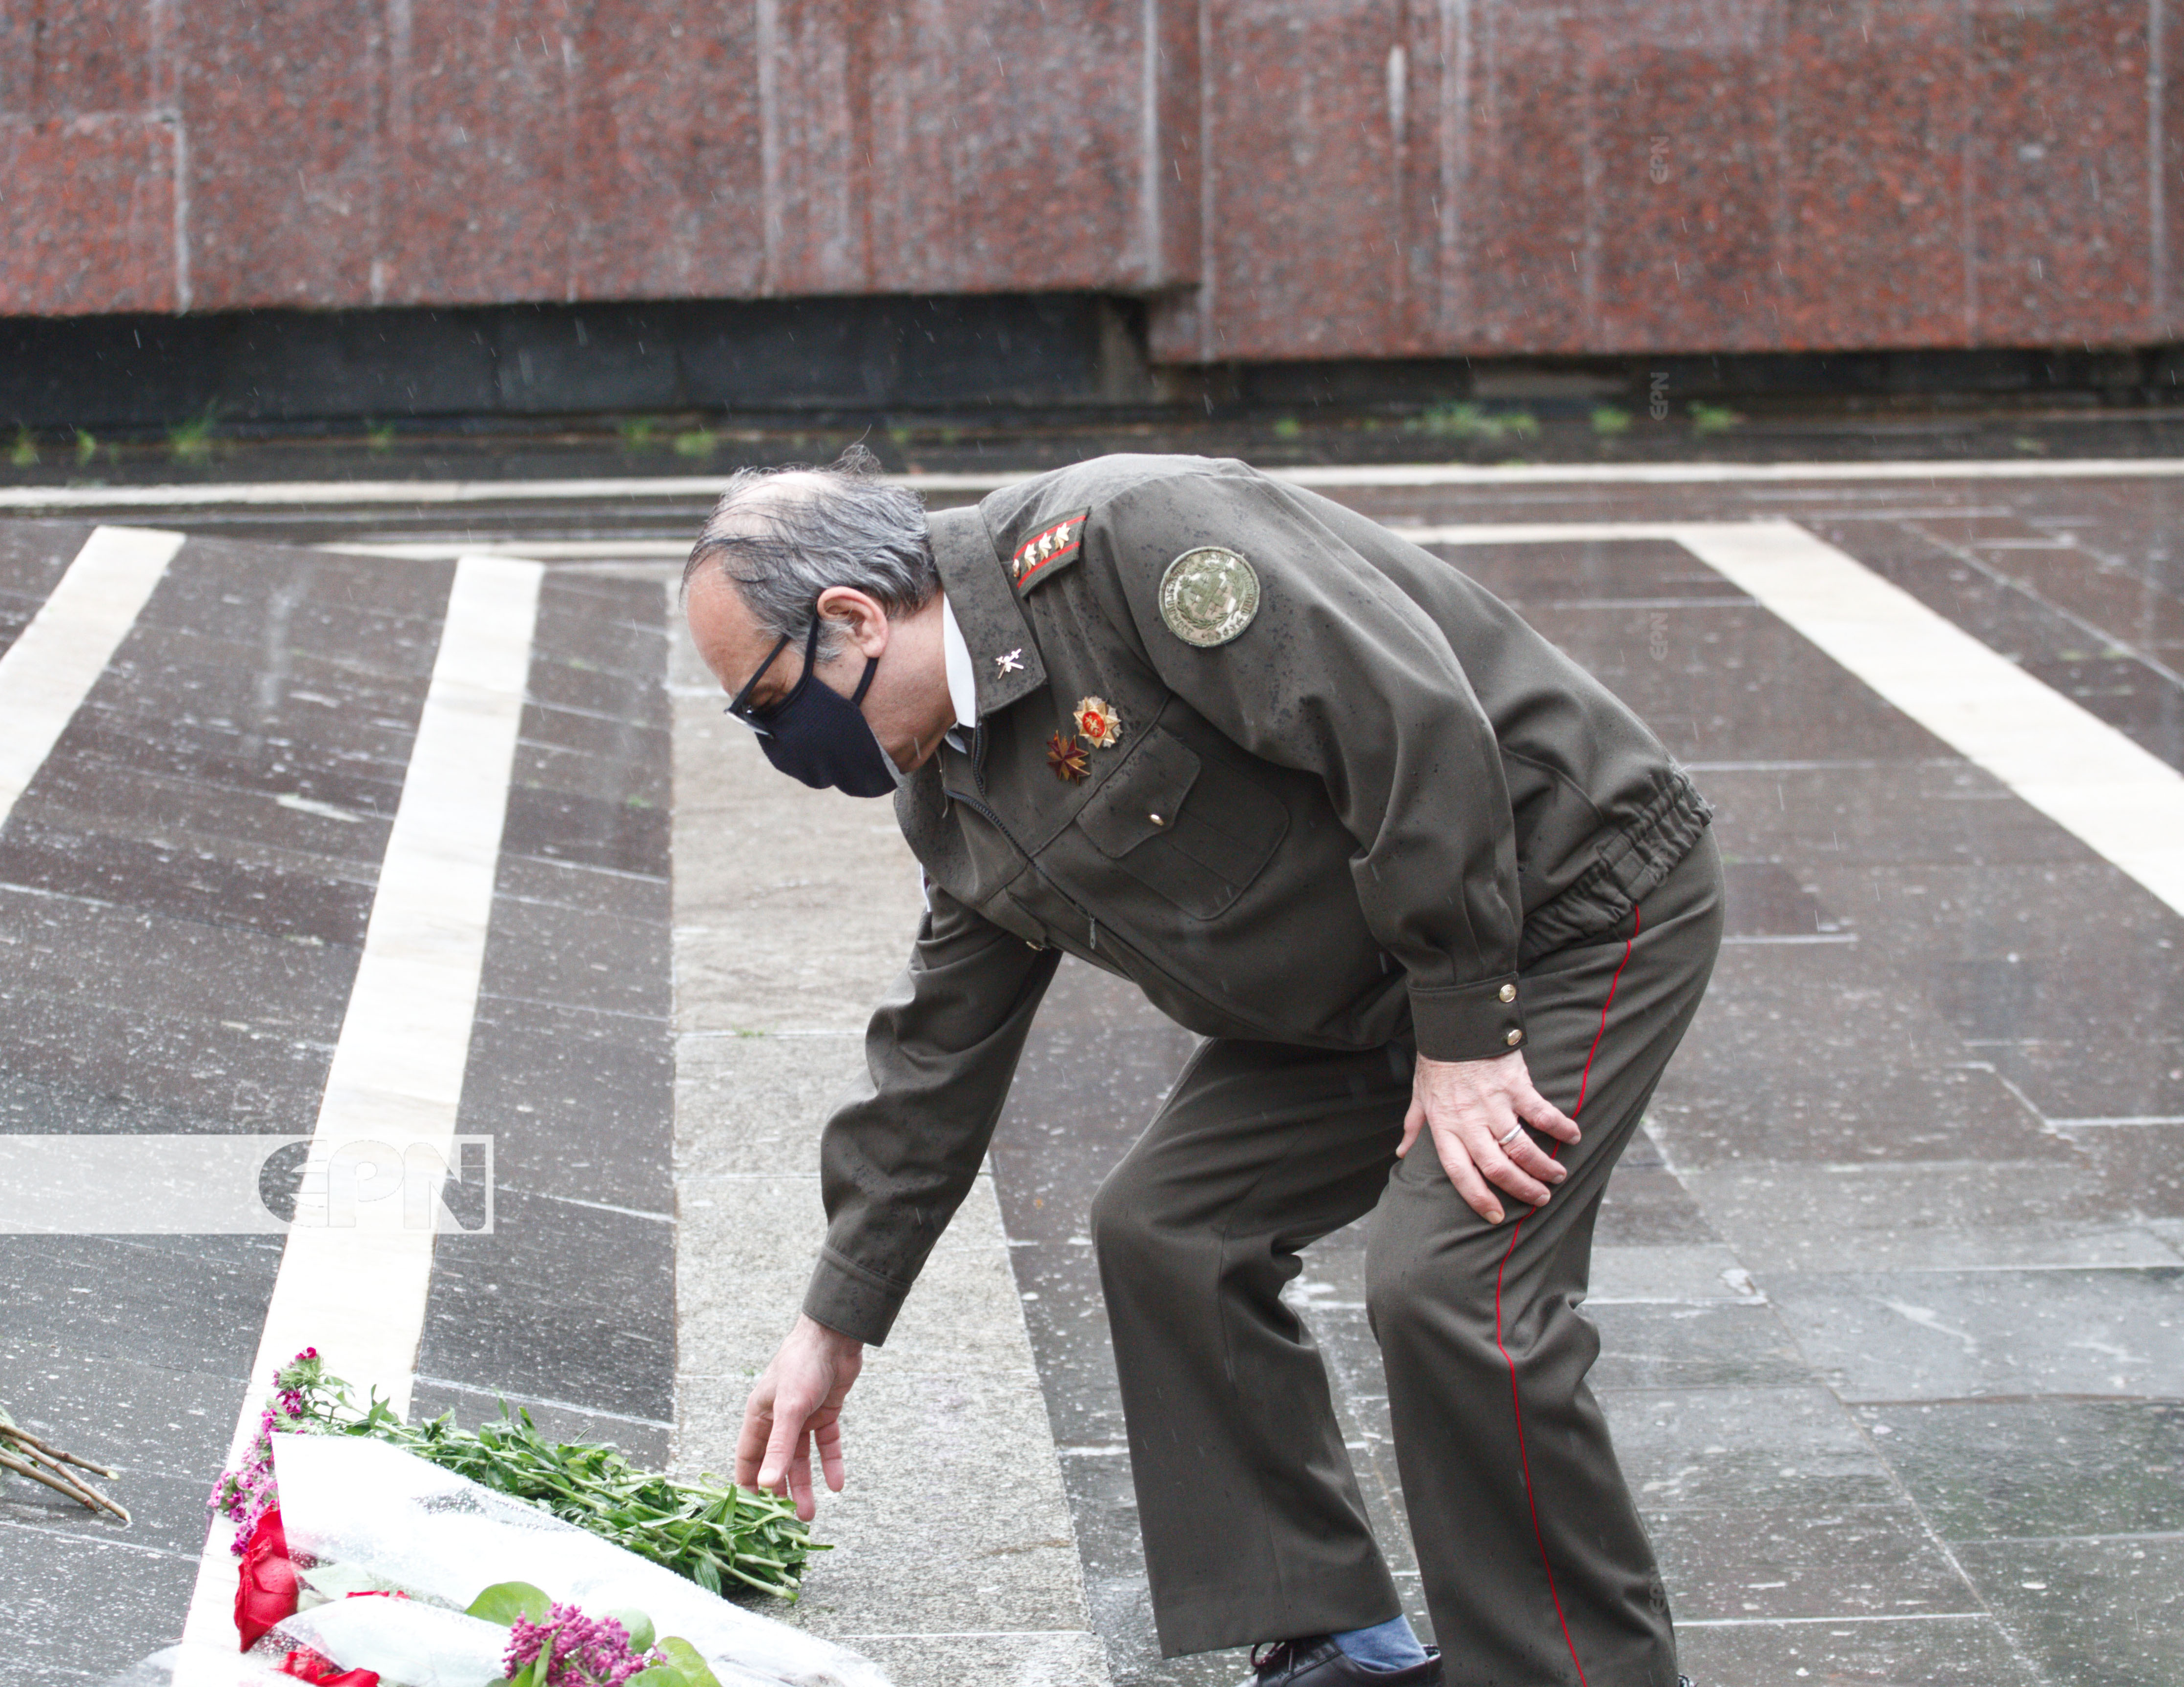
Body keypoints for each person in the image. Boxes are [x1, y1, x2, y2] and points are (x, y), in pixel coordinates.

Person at [681, 447, 1721, 1687]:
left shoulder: (1131, 546)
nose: (782, 745)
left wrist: (1462, 1035)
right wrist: (833, 1321)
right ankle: (1335, 1644)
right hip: (1364, 988)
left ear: (854, 619)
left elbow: (1410, 731)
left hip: (1563, 903)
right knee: (1168, 1231)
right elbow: (940, 1049)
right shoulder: (952, 783)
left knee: (1451, 1290)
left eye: (772, 702)